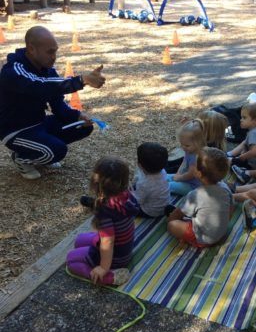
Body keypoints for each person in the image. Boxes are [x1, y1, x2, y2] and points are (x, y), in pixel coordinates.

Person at [0, 26, 105, 180]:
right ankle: (21, 158)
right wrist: (82, 80)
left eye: (55, 51)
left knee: (82, 126)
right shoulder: (14, 71)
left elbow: (57, 103)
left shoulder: (47, 69)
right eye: (50, 52)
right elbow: (40, 85)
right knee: (56, 151)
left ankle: (40, 150)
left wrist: (77, 115)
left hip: (38, 123)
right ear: (31, 49)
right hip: (15, 130)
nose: (54, 56)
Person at [66, 156, 139, 285]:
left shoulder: (105, 212)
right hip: (124, 248)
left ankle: (110, 277)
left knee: (71, 259)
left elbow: (107, 243)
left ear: (96, 182)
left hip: (116, 258)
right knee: (79, 240)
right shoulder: (127, 195)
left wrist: (103, 267)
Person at [167, 147, 233, 247]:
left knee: (172, 226)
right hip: (221, 234)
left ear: (198, 173)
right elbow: (231, 208)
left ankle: (188, 239)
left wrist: (171, 220)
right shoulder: (225, 188)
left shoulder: (196, 194)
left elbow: (178, 214)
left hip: (204, 238)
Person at [227, 102, 256, 175]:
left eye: (244, 118)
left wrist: (242, 157)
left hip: (254, 166)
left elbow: (254, 151)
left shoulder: (252, 134)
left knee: (228, 162)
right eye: (241, 117)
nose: (241, 120)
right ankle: (230, 154)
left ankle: (243, 172)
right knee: (245, 142)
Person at [167, 119, 206, 196]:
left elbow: (191, 174)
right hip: (185, 179)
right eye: (182, 144)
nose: (183, 147)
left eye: (187, 145)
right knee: (165, 176)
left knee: (168, 186)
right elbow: (184, 162)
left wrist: (178, 178)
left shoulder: (196, 156)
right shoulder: (189, 150)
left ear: (198, 142)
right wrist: (178, 174)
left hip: (194, 187)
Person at [131, 142, 170, 218]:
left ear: (140, 165)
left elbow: (138, 201)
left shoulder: (144, 184)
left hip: (150, 212)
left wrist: (131, 192)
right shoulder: (162, 171)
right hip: (164, 205)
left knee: (128, 206)